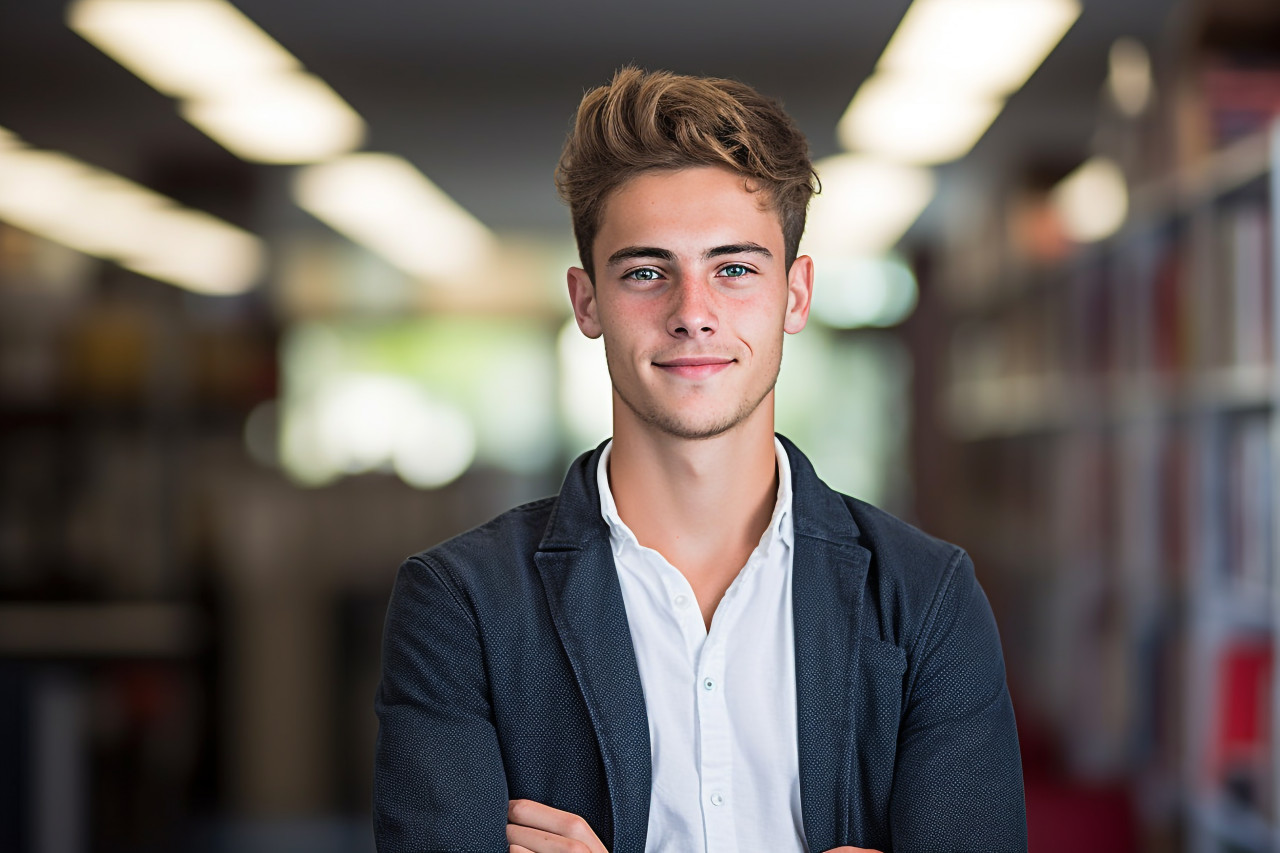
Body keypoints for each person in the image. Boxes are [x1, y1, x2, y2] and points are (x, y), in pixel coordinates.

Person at [373, 67, 1026, 853]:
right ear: (587, 301)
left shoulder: (927, 598)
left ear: (795, 293)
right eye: (647, 271)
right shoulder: (461, 607)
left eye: (735, 269)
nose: (692, 313)